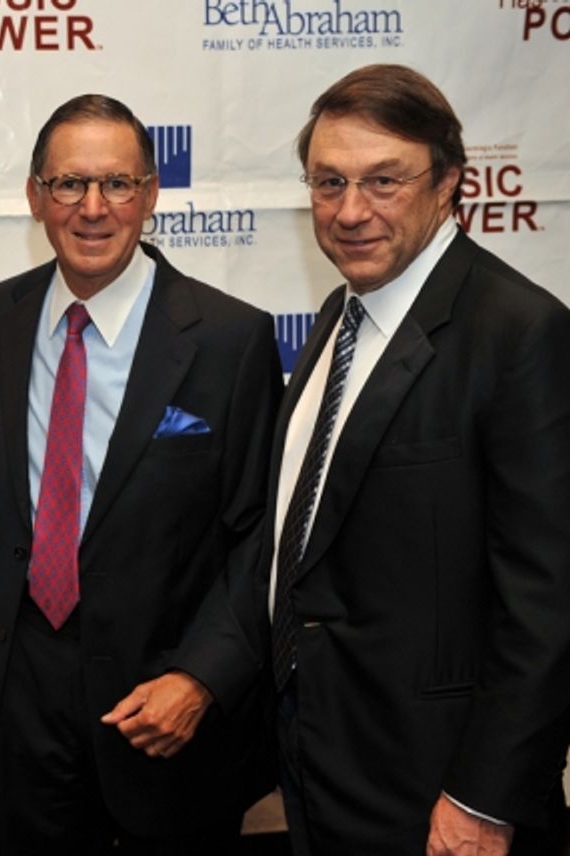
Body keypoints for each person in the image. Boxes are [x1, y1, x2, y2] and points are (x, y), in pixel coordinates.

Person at [0, 93, 282, 853]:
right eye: (70, 184)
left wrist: (201, 679)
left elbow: (261, 536)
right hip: (20, 707)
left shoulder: (230, 338)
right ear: (36, 196)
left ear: (151, 194)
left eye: (117, 184)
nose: (93, 208)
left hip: (165, 714)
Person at [268, 63, 570, 854]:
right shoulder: (342, 315)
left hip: (441, 798)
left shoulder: (519, 333)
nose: (350, 211)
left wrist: (484, 800)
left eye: (384, 181)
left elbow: (548, 603)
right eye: (327, 182)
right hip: (325, 767)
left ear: (449, 187)